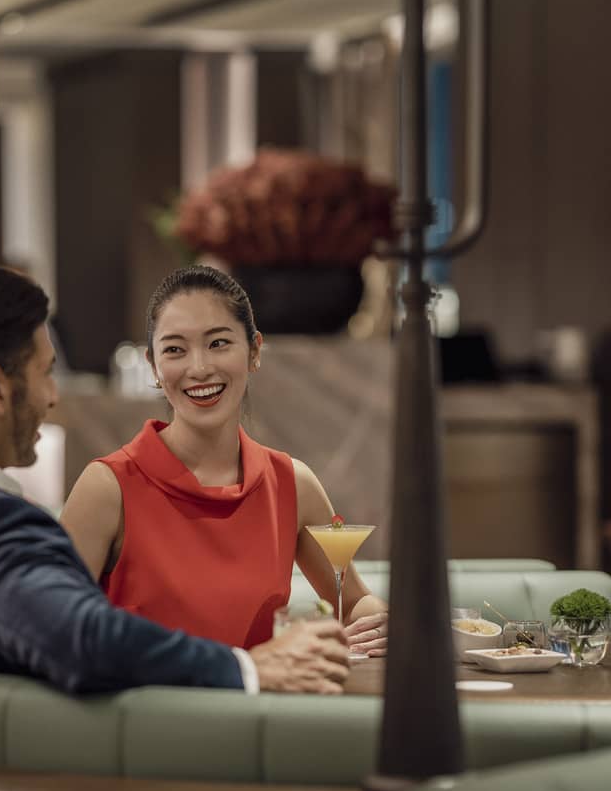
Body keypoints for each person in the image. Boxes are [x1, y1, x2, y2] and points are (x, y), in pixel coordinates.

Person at [0, 265, 349, 696]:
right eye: (46, 373)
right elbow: (81, 639)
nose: (52, 397)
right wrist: (249, 667)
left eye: (219, 343)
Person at [60, 265, 390, 653]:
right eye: (175, 350)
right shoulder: (107, 487)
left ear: (254, 352)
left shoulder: (293, 483)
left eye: (218, 343)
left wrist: (381, 623)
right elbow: (54, 629)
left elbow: (352, 601)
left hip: (263, 711)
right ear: (154, 366)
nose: (199, 368)